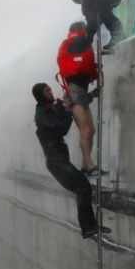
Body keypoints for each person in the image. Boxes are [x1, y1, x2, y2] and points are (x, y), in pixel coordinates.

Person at [32, 83, 111, 238]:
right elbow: (61, 127)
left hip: (60, 160)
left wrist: (68, 104)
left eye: (49, 89)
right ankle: (88, 227)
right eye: (47, 90)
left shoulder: (48, 108)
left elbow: (59, 112)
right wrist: (67, 112)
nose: (50, 92)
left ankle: (90, 226)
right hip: (56, 162)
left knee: (82, 187)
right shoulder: (41, 114)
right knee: (82, 187)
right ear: (41, 95)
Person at [56, 21, 107, 178]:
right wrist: (95, 19)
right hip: (75, 92)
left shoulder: (74, 44)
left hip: (80, 92)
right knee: (85, 130)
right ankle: (89, 166)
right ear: (80, 31)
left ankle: (86, 167)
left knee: (91, 130)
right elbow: (86, 39)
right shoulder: (75, 41)